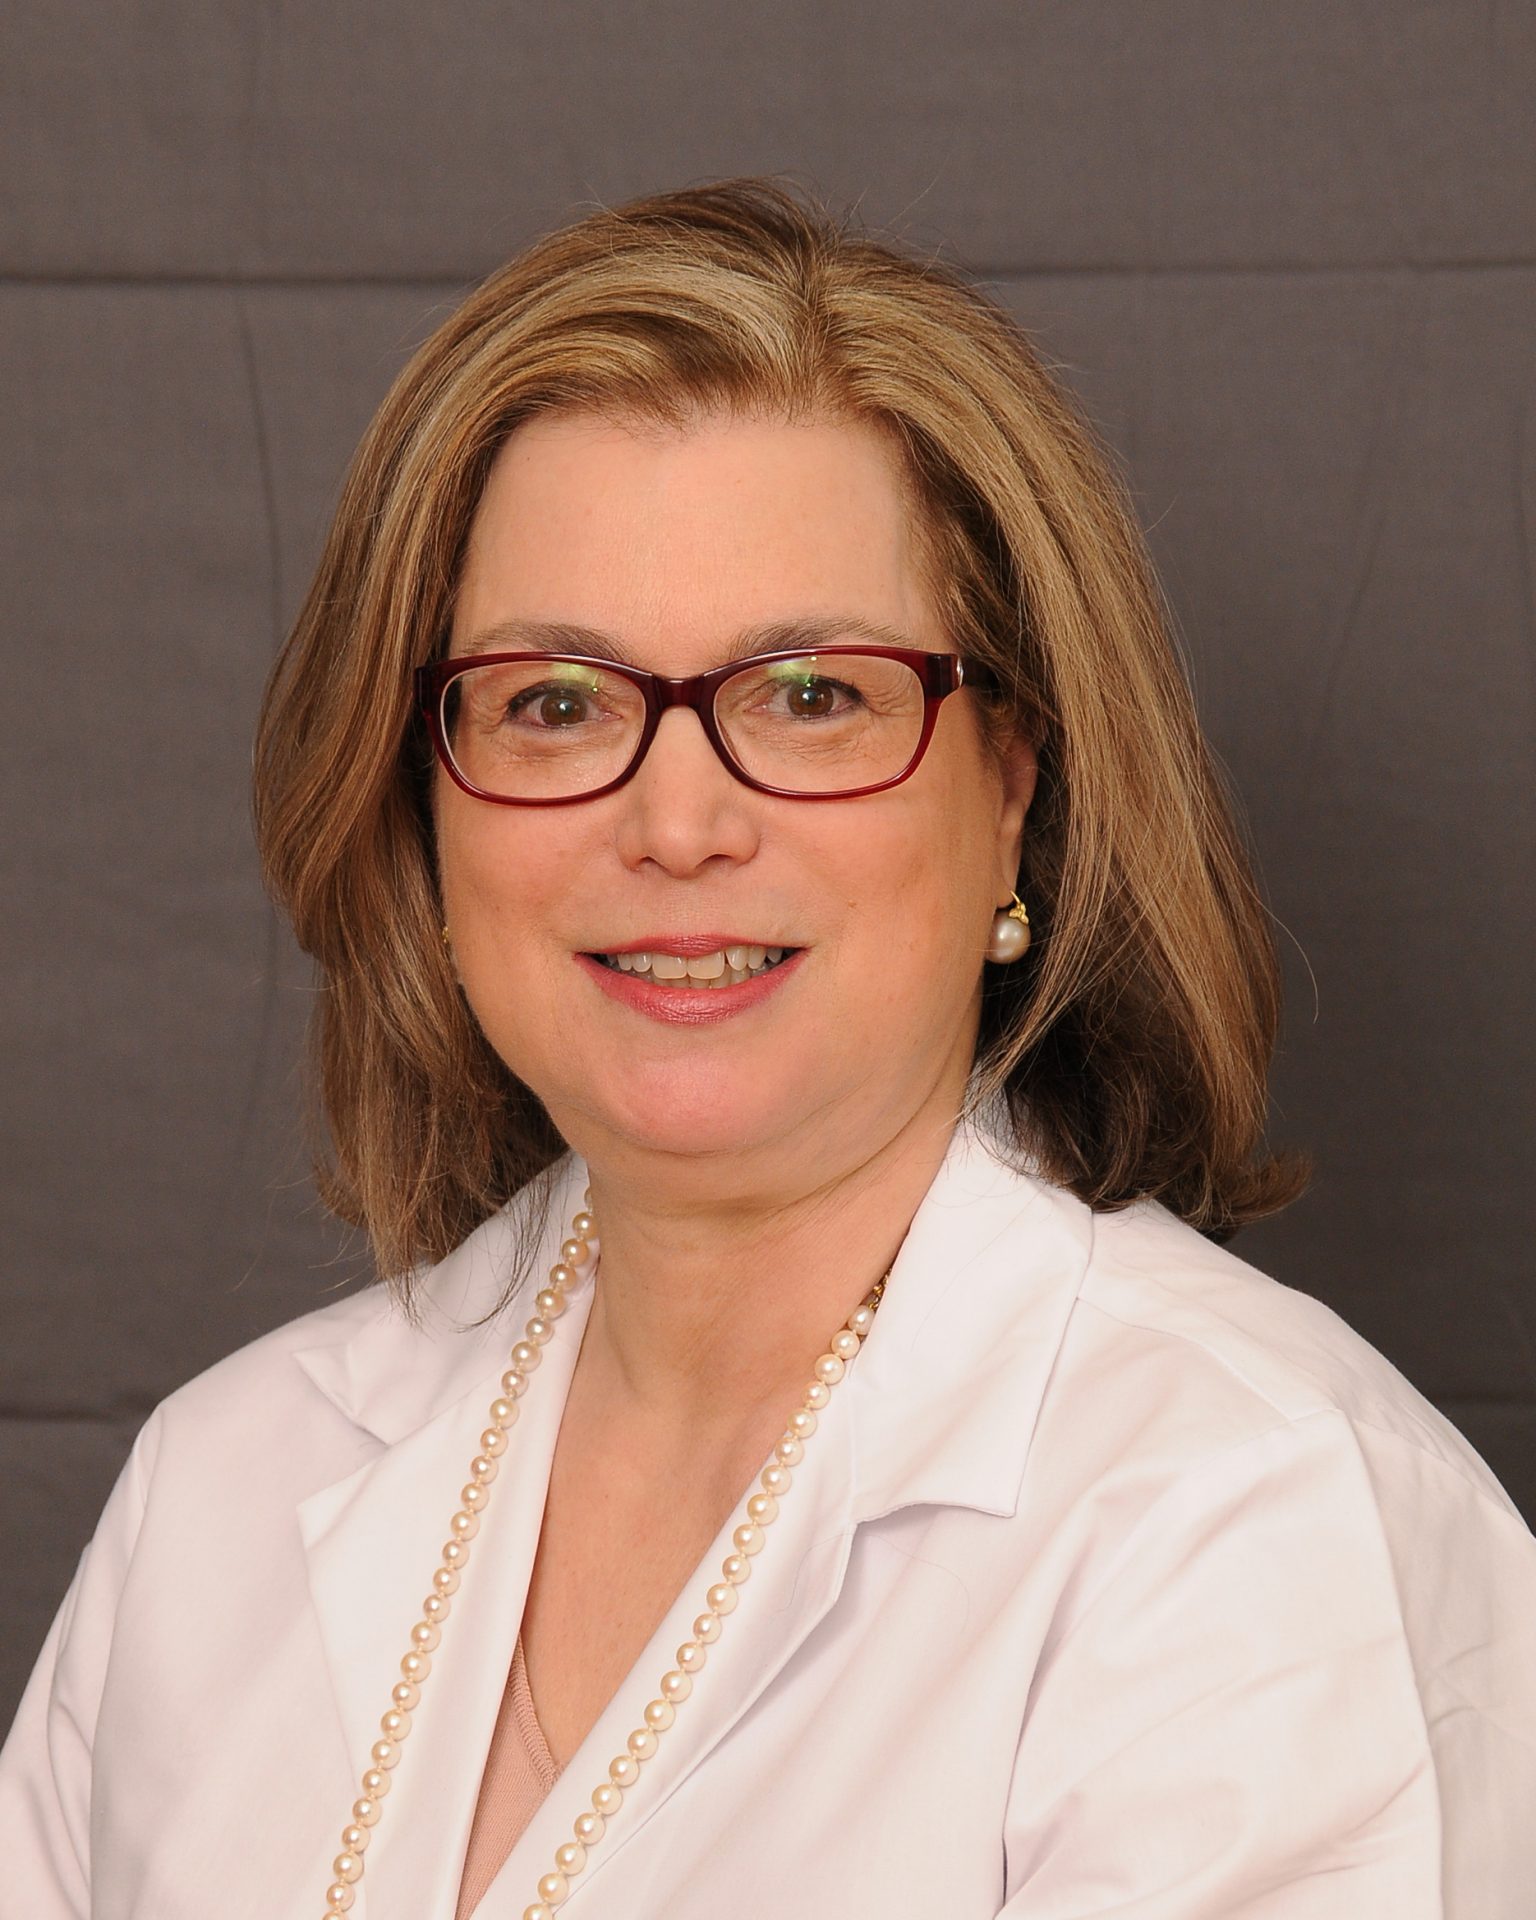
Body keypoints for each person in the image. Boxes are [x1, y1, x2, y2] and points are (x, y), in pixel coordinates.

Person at [2, 178, 1533, 1920]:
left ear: (1013, 787)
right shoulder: (224, 1485)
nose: (674, 821)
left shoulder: (1252, 1522)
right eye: (553, 702)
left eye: (811, 695)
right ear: (423, 802)